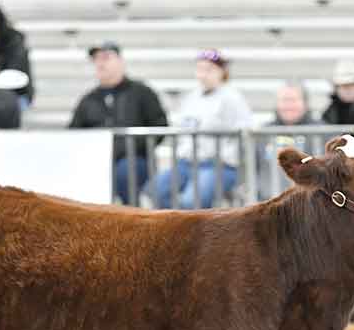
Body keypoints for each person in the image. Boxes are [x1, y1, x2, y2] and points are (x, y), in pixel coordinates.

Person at [69, 41, 168, 205]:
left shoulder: (141, 92)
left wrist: (126, 146)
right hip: (97, 160)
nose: (101, 63)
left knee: (125, 172)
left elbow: (159, 127)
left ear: (120, 62)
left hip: (135, 159)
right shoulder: (88, 99)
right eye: (97, 59)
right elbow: (73, 132)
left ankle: (133, 220)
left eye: (106, 58)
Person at [154, 49, 253, 210]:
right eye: (200, 69)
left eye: (209, 69)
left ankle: (193, 232)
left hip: (219, 165)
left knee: (191, 201)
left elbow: (244, 131)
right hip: (186, 162)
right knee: (157, 190)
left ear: (222, 72)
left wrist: (226, 158)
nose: (203, 74)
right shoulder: (192, 98)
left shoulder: (233, 98)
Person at [258, 80, 320, 199]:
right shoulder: (261, 133)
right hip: (269, 205)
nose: (288, 105)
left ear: (305, 103)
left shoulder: (323, 132)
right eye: (284, 100)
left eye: (293, 100)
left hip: (310, 206)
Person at [321, 59, 354, 125]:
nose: (347, 90)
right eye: (343, 86)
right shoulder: (328, 115)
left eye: (352, 84)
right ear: (336, 88)